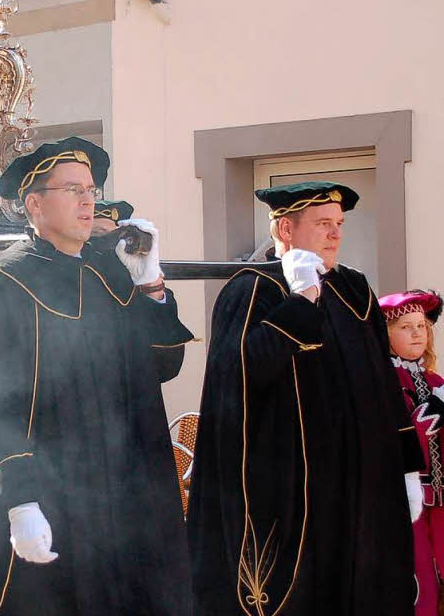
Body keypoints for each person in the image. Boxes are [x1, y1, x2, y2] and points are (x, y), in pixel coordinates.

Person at [0, 137, 195, 616]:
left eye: (91, 190)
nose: (89, 201)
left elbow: (164, 365)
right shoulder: (7, 279)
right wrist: (21, 501)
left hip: (125, 488)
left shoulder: (111, 275)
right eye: (72, 190)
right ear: (35, 204)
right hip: (56, 493)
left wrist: (151, 286)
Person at [188, 181, 423, 616]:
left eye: (339, 224)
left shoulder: (355, 288)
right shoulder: (252, 289)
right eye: (323, 224)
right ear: (285, 229)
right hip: (294, 486)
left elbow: (383, 380)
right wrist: (302, 301)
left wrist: (408, 465)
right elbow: (239, 377)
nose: (336, 234)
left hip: (362, 482)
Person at [380, 289, 444, 616]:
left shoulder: (436, 381)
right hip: (406, 499)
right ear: (386, 334)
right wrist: (431, 413)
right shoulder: (383, 382)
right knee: (418, 582)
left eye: (421, 325)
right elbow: (394, 434)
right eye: (406, 326)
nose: (418, 332)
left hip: (441, 499)